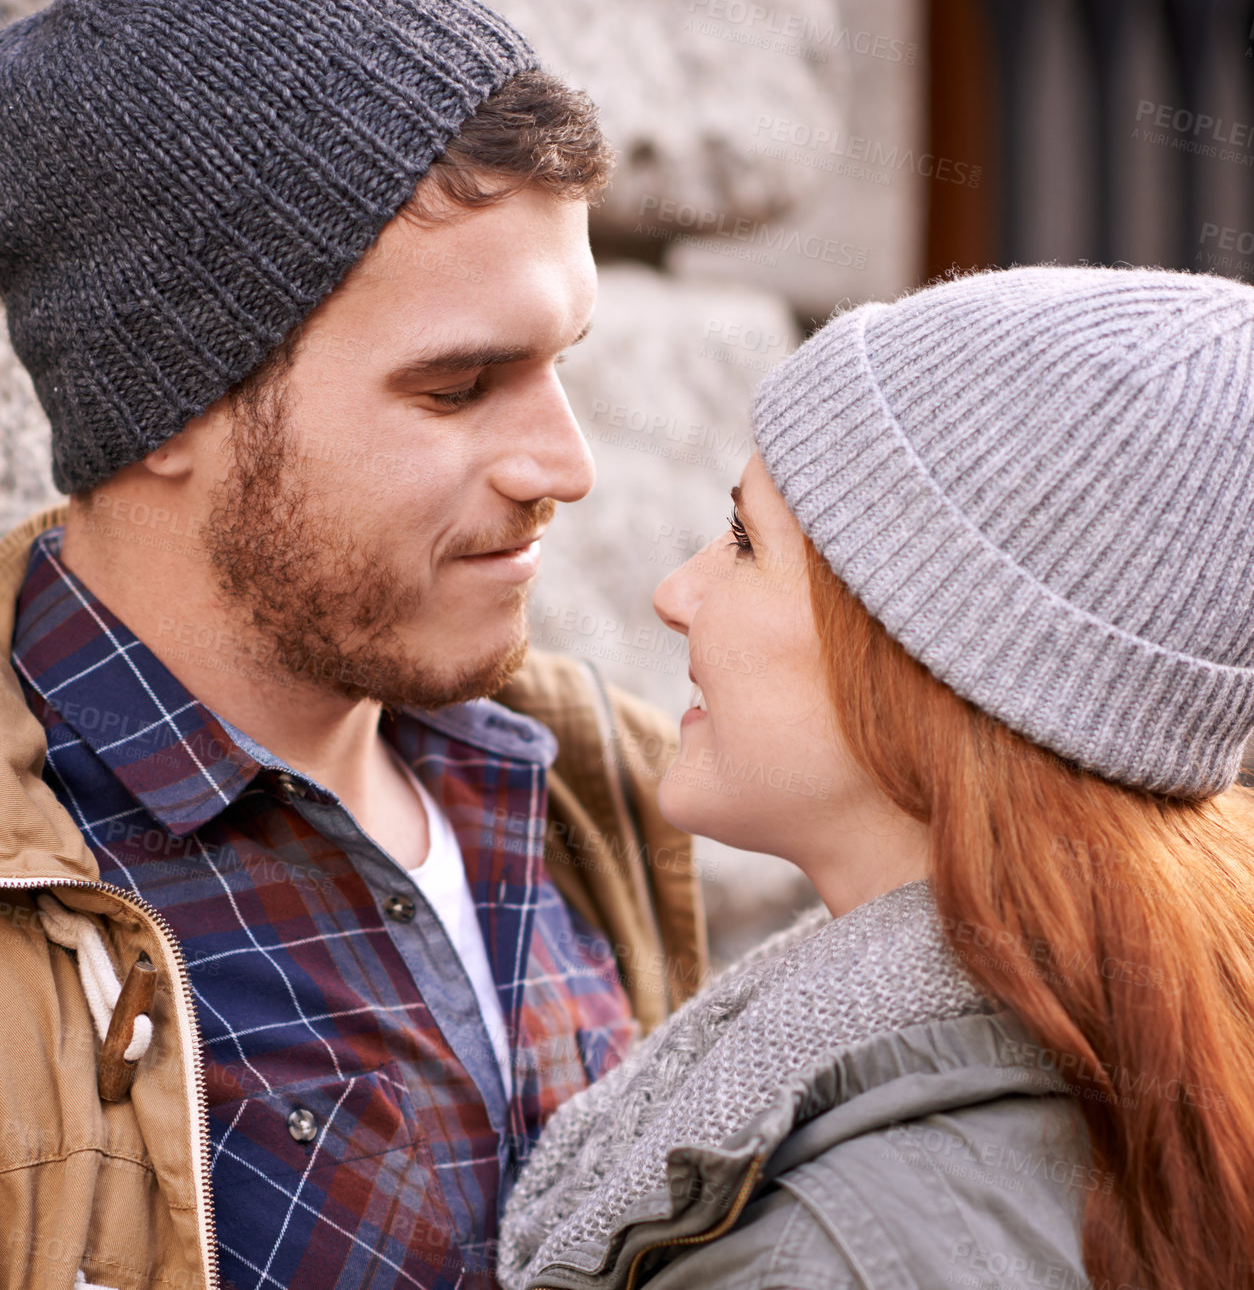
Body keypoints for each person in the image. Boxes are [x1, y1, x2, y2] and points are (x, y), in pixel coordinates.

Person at [0, 0, 707, 1290]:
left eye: (561, 362)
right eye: (457, 385)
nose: (565, 464)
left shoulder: (583, 777)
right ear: (172, 405)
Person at [498, 264, 1254, 1290]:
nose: (677, 593)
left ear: (934, 658)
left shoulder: (822, 1252)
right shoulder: (1141, 1042)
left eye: (746, 541)